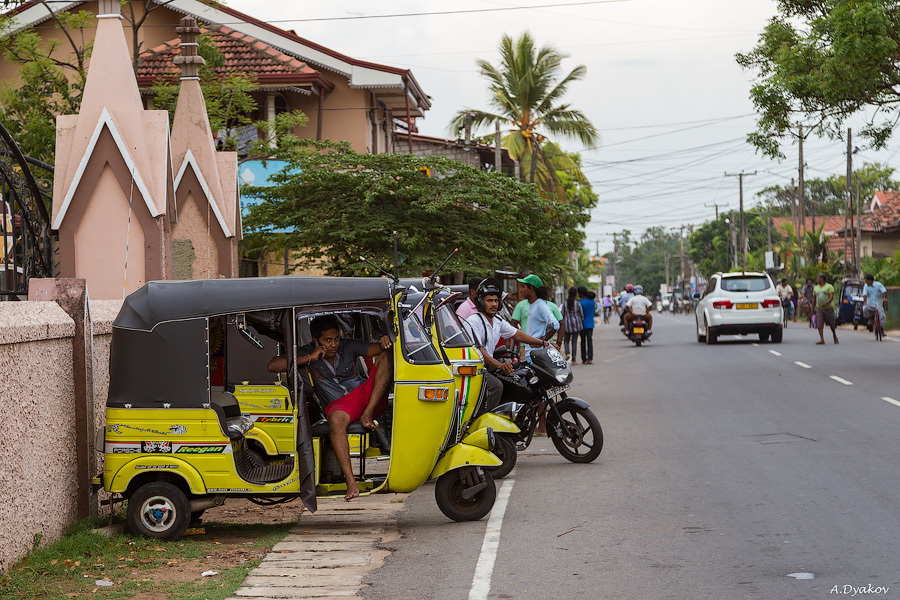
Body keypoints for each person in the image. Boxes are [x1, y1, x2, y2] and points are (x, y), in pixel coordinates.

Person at [267, 314, 392, 501]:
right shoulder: (307, 352)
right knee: (335, 419)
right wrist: (310, 357)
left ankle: (367, 414)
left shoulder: (348, 346)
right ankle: (351, 481)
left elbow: (382, 349)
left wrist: (385, 341)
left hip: (367, 398)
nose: (333, 344)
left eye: (336, 339)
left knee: (387, 355)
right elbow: (273, 365)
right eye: (327, 340)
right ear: (315, 340)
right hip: (340, 406)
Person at [463, 278, 556, 412]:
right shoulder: (474, 321)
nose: (493, 304)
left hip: (490, 366)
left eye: (495, 300)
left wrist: (544, 343)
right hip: (476, 368)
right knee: (496, 386)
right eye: (489, 301)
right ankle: (484, 420)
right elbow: (479, 350)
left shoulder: (497, 320)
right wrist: (499, 365)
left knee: (518, 380)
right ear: (481, 302)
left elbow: (517, 334)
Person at [511, 276, 563, 355]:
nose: (520, 290)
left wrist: (541, 341)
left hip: (538, 353)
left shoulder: (540, 305)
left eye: (523, 287)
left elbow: (555, 324)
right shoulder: (532, 304)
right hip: (531, 352)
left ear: (531, 288)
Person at [812, 273, 838, 345]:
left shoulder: (829, 286)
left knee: (831, 324)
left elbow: (831, 296)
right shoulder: (816, 288)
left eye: (818, 278)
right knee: (819, 323)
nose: (817, 280)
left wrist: (826, 303)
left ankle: (834, 335)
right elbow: (814, 299)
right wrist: (812, 309)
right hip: (819, 308)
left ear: (822, 279)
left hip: (828, 308)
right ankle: (822, 339)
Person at [561, 287, 583, 364]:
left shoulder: (564, 304)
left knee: (566, 341)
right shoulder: (578, 303)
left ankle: (567, 353)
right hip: (576, 325)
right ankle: (574, 360)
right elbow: (581, 315)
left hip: (567, 325)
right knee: (574, 342)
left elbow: (562, 315)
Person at [578, 286, 596, 364]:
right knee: (589, 341)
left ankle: (584, 359)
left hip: (582, 325)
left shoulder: (581, 303)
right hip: (590, 324)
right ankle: (590, 358)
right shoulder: (592, 302)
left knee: (583, 341)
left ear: (581, 294)